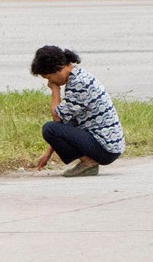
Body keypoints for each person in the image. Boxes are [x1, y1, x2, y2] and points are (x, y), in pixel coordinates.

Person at [31, 45, 125, 177]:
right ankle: (88, 162)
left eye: (48, 78)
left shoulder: (79, 83)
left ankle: (88, 163)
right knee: (53, 129)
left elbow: (57, 117)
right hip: (109, 146)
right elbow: (66, 123)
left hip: (105, 147)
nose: (50, 82)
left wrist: (55, 90)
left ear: (58, 69)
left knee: (49, 128)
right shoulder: (78, 76)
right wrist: (47, 154)